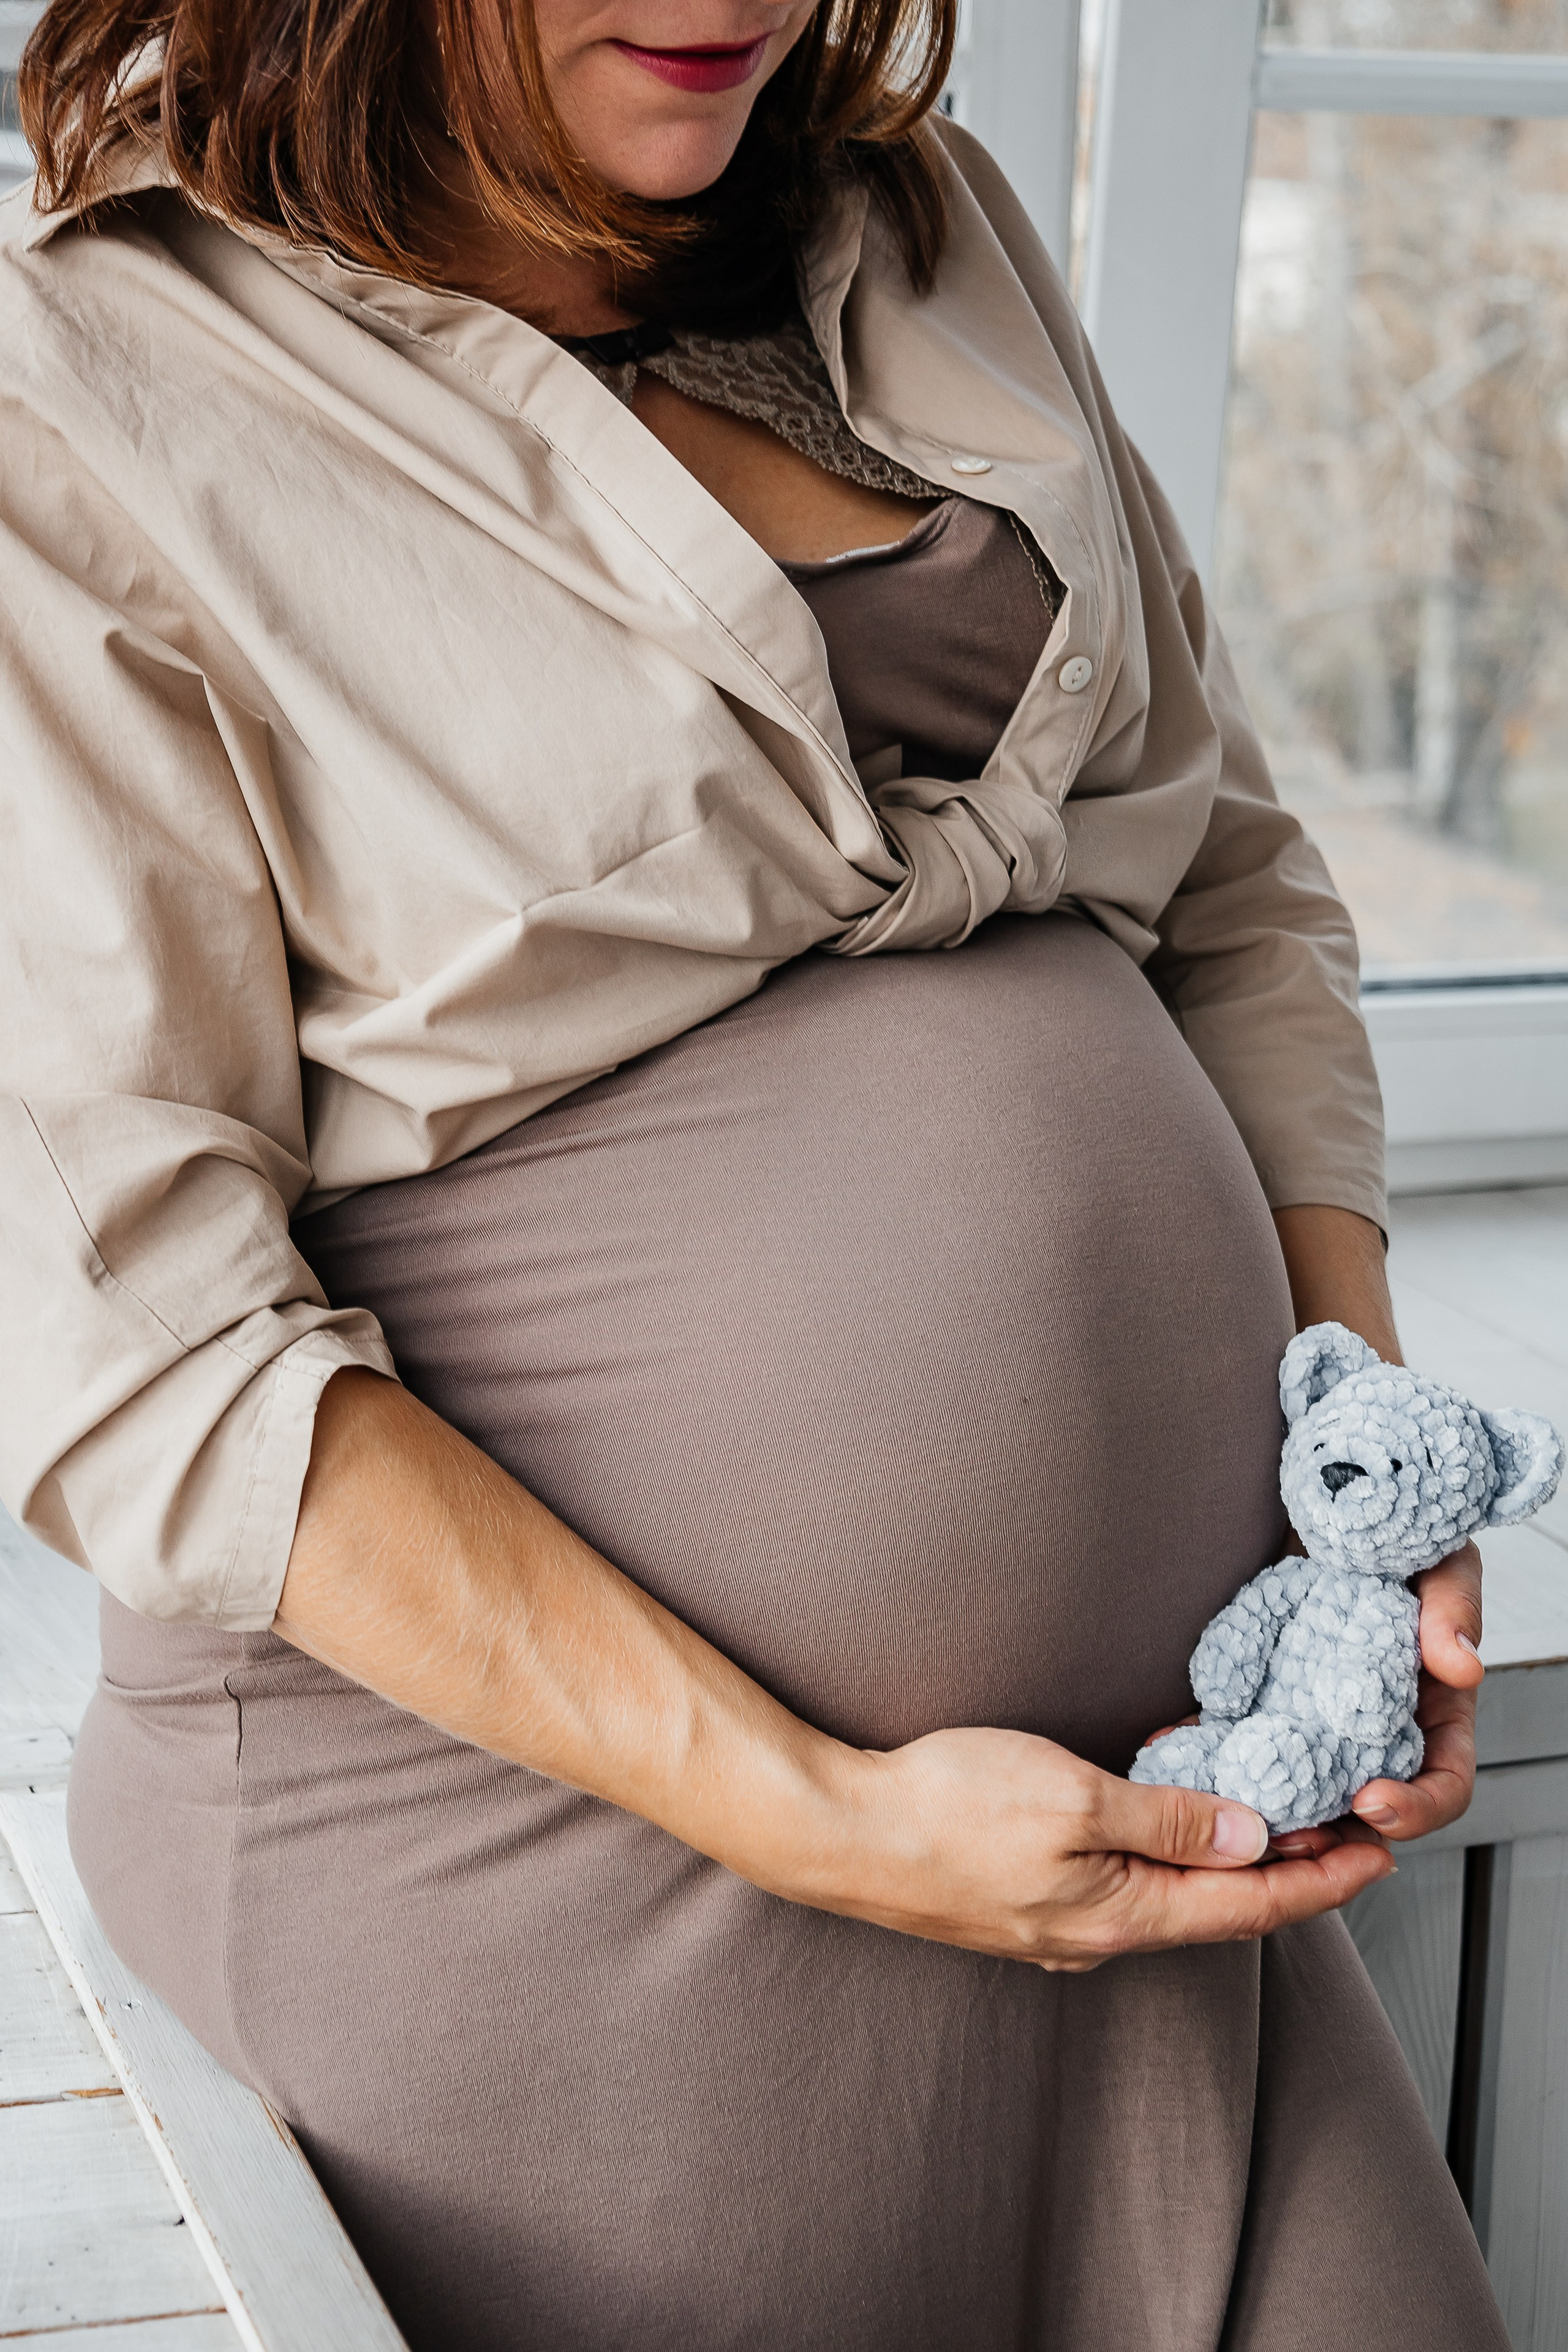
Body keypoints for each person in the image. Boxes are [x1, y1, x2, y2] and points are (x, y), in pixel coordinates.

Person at [0, 0, 1504, 2343]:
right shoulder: (73, 387)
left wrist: (1358, 1466)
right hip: (561, 1921)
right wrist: (824, 1814)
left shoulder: (935, 226)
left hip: (1151, 1863)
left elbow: (1225, 879)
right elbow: (132, 1334)